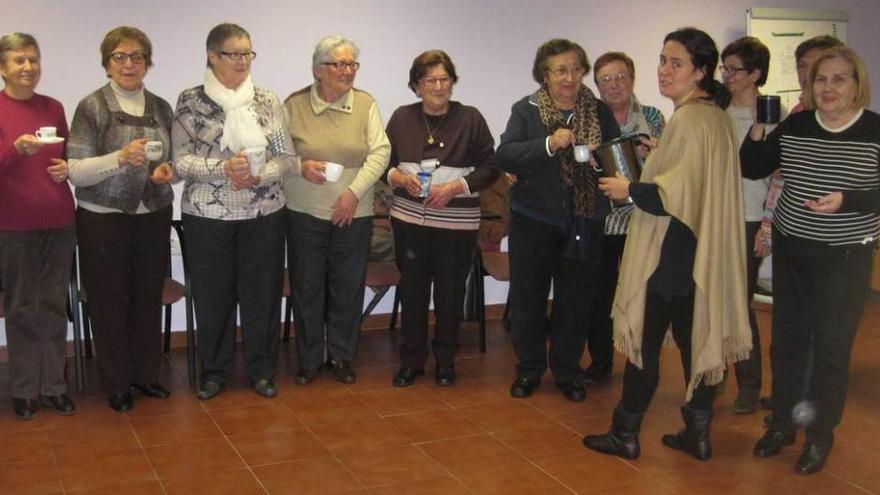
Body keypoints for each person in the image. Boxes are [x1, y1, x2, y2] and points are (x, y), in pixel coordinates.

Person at [583, 27, 752, 461]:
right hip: (699, 251)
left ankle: (626, 433)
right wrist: (661, 152)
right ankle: (697, 432)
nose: (664, 70)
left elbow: (667, 198)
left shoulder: (691, 119)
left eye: (676, 63)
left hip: (673, 253)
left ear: (699, 71)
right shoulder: (710, 115)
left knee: (645, 340)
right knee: (699, 343)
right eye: (662, 60)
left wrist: (628, 188)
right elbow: (695, 182)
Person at [742, 46, 879, 475]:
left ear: (857, 84)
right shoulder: (796, 125)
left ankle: (819, 435)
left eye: (839, 79)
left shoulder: (874, 130)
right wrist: (761, 128)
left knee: (832, 350)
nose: (829, 87)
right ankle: (782, 423)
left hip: (845, 256)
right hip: (794, 251)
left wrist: (847, 201)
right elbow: (752, 165)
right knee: (788, 344)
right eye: (821, 79)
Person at [172, 23, 295, 400]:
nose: (242, 61)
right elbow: (179, 162)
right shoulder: (191, 102)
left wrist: (258, 174)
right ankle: (215, 371)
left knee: (262, 295)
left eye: (247, 53)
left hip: (264, 216)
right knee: (213, 297)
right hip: (208, 218)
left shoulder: (267, 101)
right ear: (213, 56)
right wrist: (223, 169)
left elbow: (287, 157)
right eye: (234, 53)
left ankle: (262, 369)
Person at [496, 39, 620, 403]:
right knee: (528, 298)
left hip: (585, 219)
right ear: (544, 74)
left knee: (576, 300)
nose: (569, 77)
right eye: (560, 70)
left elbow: (616, 161)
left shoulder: (598, 110)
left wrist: (603, 160)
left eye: (576, 69)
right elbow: (505, 154)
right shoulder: (527, 109)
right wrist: (549, 144)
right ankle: (529, 370)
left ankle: (567, 371)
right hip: (534, 218)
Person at [67, 26, 174, 413]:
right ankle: (115, 382)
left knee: (147, 297)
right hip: (103, 219)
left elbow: (171, 162)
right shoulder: (92, 106)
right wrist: (118, 159)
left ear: (147, 62)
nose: (129, 64)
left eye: (137, 56)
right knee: (108, 300)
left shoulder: (161, 107)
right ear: (107, 63)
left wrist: (166, 173)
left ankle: (146, 375)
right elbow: (75, 170)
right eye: (120, 56)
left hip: (152, 215)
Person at [384, 50, 499, 387]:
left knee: (449, 293)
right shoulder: (402, 117)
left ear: (452, 82)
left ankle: (446, 362)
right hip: (408, 221)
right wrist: (399, 179)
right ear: (416, 85)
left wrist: (456, 187)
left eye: (444, 79)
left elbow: (490, 168)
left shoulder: (470, 118)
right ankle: (412, 362)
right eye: (429, 80)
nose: (438, 86)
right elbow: (383, 165)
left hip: (456, 224)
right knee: (413, 291)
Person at [284, 35, 390, 385]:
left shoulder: (365, 103)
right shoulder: (294, 104)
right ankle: (310, 359)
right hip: (303, 211)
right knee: (307, 286)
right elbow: (279, 155)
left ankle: (342, 356)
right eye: (339, 64)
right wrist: (300, 166)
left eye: (352, 65)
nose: (347, 72)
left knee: (348, 286)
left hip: (353, 211)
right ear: (318, 70)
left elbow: (380, 153)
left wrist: (353, 194)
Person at [0, 32, 76, 420]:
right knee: (21, 308)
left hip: (60, 221)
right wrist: (15, 151)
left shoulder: (53, 107)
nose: (27, 67)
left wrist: (66, 170)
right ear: (3, 68)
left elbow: (63, 158)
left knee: (52, 305)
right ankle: (25, 389)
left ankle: (54, 386)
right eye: (18, 60)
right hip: (13, 226)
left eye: (33, 59)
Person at [583, 51, 665, 384]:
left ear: (632, 79)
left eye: (620, 77)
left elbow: (672, 167)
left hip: (643, 218)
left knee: (643, 291)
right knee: (599, 293)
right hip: (601, 220)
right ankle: (601, 359)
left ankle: (642, 358)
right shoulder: (587, 119)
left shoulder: (653, 117)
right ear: (597, 86)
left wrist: (656, 151)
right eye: (605, 79)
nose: (614, 85)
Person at [717, 36, 779, 415]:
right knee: (715, 297)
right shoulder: (718, 110)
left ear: (756, 73)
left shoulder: (771, 115)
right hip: (717, 214)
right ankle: (716, 369)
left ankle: (749, 384)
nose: (727, 76)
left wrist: (766, 227)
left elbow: (779, 177)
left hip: (750, 216)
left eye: (734, 70)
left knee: (739, 302)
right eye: (724, 69)